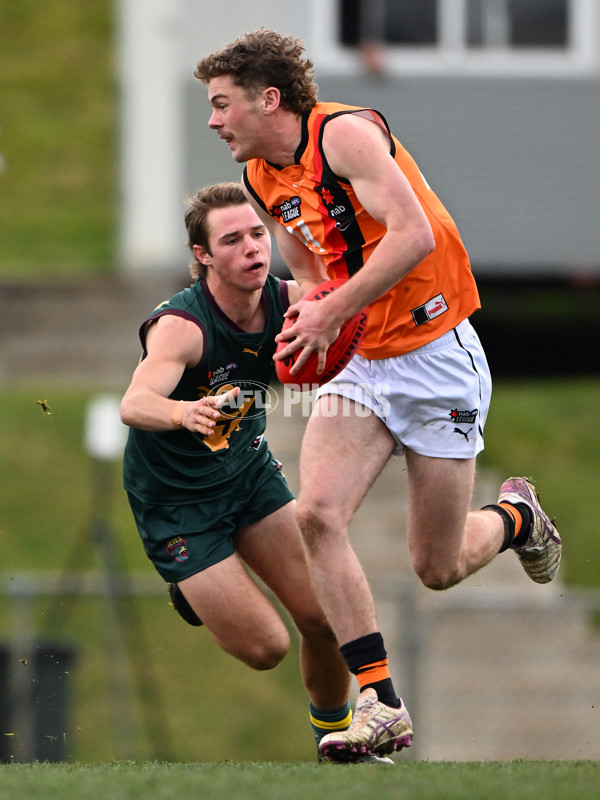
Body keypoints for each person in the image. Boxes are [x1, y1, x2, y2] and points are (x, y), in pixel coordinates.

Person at [194, 30, 563, 763]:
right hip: (365, 360)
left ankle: (518, 517)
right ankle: (380, 701)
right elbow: (308, 264)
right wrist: (305, 319)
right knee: (318, 514)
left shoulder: (347, 135)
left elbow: (414, 234)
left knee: (437, 565)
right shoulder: (266, 175)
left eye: (221, 103)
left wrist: (333, 307)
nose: (213, 120)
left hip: (436, 358)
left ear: (269, 99)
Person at [121, 182, 369, 762]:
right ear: (203, 256)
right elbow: (134, 404)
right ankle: (194, 584)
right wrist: (184, 410)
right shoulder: (183, 327)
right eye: (231, 240)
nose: (253, 249)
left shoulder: (288, 301)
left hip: (250, 478)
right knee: (267, 648)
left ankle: (337, 743)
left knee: (324, 617)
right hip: (178, 506)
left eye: (257, 234)